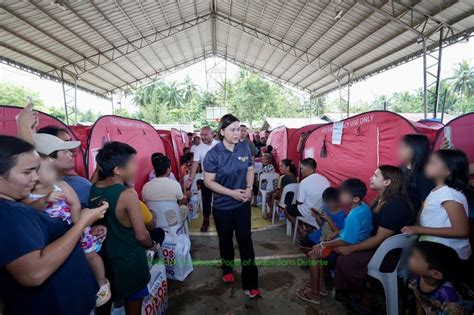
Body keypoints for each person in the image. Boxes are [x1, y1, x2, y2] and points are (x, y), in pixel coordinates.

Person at [0, 135, 108, 314]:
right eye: (27, 172)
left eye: (36, 170)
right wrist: (82, 223)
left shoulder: (15, 206)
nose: (35, 177)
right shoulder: (11, 213)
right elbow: (33, 273)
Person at [89, 142, 157, 315]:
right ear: (118, 170)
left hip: (105, 261)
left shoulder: (94, 187)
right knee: (133, 306)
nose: (136, 167)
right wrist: (153, 245)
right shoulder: (127, 195)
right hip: (130, 262)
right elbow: (142, 236)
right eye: (133, 163)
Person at [333, 165, 414, 303]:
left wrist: (351, 248)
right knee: (337, 246)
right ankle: (347, 287)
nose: (371, 178)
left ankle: (357, 296)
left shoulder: (396, 204)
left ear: (387, 182)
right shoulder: (380, 199)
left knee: (345, 259)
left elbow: (380, 238)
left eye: (376, 176)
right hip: (377, 246)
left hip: (388, 254)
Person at [203, 114, 260, 298]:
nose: (238, 133)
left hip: (242, 204)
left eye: (239, 129)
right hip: (222, 207)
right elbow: (209, 182)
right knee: (226, 241)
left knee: (246, 241)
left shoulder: (244, 147)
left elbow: (250, 170)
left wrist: (250, 188)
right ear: (222, 132)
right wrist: (232, 193)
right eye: (233, 130)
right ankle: (227, 268)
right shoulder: (213, 154)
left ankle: (251, 283)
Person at [297, 179, 372, 305]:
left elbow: (346, 240)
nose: (340, 196)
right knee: (316, 252)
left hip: (351, 245)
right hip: (352, 240)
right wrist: (336, 233)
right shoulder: (363, 207)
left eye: (343, 194)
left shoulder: (353, 216)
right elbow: (348, 231)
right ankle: (321, 288)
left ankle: (314, 294)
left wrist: (323, 244)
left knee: (313, 254)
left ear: (355, 199)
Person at [402, 149, 471, 261]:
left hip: (449, 255)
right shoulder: (437, 190)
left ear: (448, 171)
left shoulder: (448, 193)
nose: (427, 166)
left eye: (433, 163)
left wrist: (420, 229)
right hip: (436, 249)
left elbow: (461, 231)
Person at [35, 124, 92, 208]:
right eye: (64, 148)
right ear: (48, 154)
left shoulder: (72, 183)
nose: (71, 152)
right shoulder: (29, 189)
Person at [408, 241, 464, 314]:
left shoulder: (447, 295)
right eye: (412, 255)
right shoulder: (416, 277)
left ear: (436, 274)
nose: (409, 259)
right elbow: (419, 299)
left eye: (416, 259)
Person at [185, 126, 218, 232]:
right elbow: (195, 163)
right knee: (206, 200)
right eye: (201, 135)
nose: (202, 137)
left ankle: (220, 220)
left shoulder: (219, 145)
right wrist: (190, 178)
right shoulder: (198, 148)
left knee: (219, 201)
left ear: (212, 134)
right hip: (206, 179)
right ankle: (206, 220)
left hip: (220, 179)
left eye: (205, 134)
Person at [286, 158, 330, 233]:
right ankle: (308, 227)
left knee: (287, 208)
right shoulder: (325, 179)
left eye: (302, 169)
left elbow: (299, 202)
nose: (301, 171)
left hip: (309, 212)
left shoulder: (304, 182)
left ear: (309, 170)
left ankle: (301, 231)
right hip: (322, 211)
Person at [399, 134, 434, 213]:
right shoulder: (401, 167)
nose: (400, 151)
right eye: (400, 147)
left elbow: (425, 204)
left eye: (404, 147)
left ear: (417, 149)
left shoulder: (424, 175)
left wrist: (418, 223)